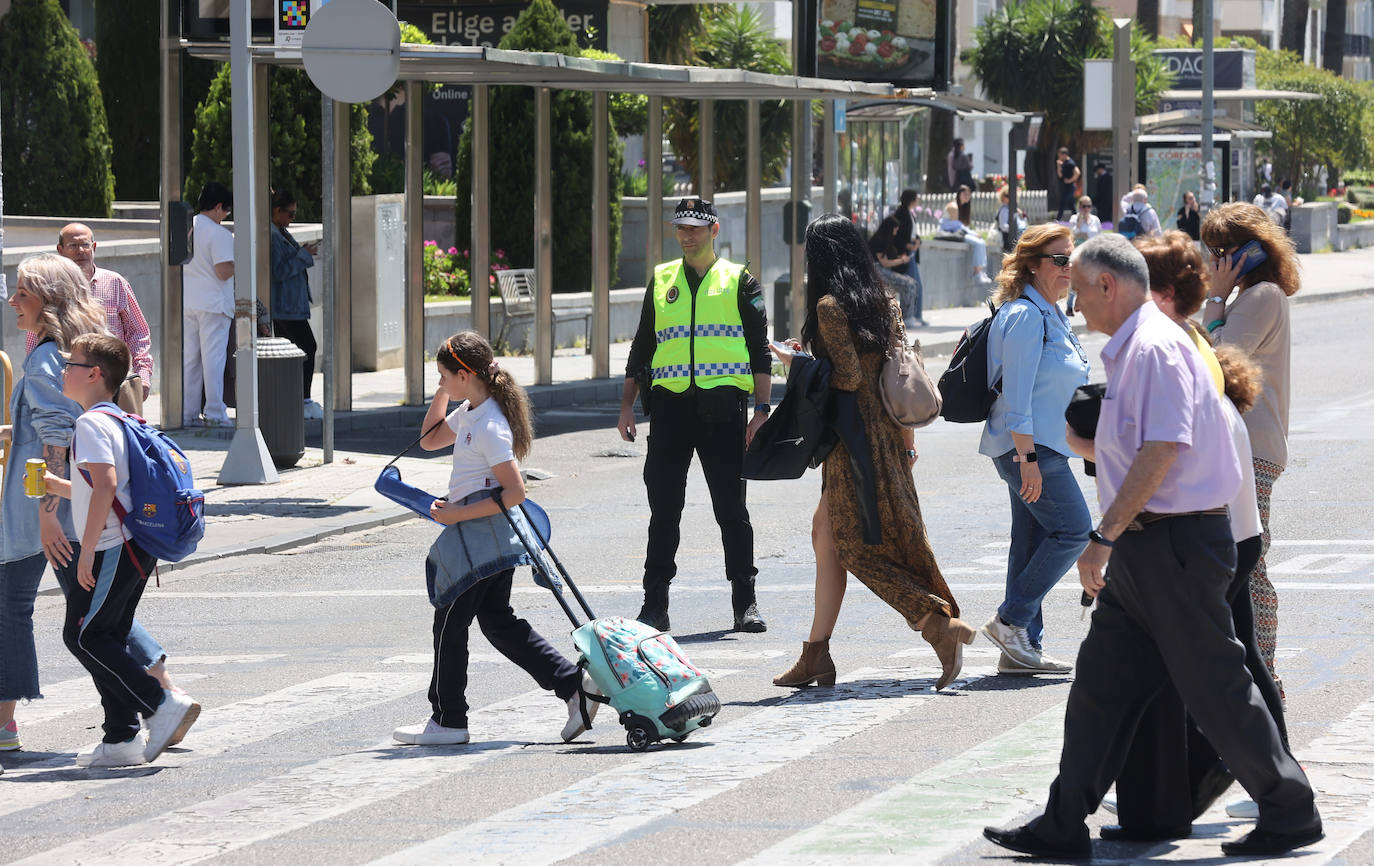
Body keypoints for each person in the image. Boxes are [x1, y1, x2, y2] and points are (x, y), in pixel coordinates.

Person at [984, 233, 1322, 860]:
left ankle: (1290, 808)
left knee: (1217, 687)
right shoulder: (1138, 346)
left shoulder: (1157, 349)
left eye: (1081, 290)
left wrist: (1102, 535)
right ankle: (1063, 820)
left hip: (1176, 544)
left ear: (1109, 286)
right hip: (1151, 549)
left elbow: (1162, 450)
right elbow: (1130, 446)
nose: (1076, 304)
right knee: (1099, 690)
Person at [1102, 233, 1286, 839]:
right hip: (1217, 525)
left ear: (1151, 290)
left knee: (1222, 673)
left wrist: (1107, 530)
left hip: (1209, 526)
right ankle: (1145, 799)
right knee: (1211, 668)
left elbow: (1166, 444)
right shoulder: (1189, 337)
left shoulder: (1173, 342)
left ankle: (1279, 789)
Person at [770, 215, 976, 692]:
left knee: (853, 545)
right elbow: (898, 369)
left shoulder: (829, 306)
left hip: (851, 444)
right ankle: (816, 655)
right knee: (828, 534)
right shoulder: (884, 299)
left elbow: (845, 378)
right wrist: (906, 438)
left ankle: (934, 621)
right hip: (887, 433)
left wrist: (793, 361)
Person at [0, 255, 187, 753]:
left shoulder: (46, 360)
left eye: (22, 291)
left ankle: (157, 702)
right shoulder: (76, 352)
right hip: (86, 517)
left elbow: (58, 445)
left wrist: (46, 520)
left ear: (48, 298)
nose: (12, 300)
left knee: (67, 625)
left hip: (68, 522)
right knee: (99, 621)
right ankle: (124, 731)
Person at [393, 332, 600, 746]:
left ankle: (448, 720)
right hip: (485, 537)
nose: (442, 383)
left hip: (481, 538)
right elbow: (431, 440)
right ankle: (573, 686)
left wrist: (456, 513)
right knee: (496, 621)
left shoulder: (489, 425)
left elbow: (515, 493)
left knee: (449, 623)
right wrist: (442, 393)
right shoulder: (472, 410)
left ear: (466, 375)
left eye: (445, 376)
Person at [43, 334, 201, 767]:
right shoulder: (116, 417)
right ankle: (121, 739)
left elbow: (108, 485)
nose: (64, 371)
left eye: (71, 364)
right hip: (133, 543)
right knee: (106, 635)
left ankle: (158, 705)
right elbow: (105, 487)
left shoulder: (92, 423)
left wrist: (88, 550)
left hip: (113, 545)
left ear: (94, 374)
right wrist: (59, 488)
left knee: (85, 636)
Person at [617, 198, 771, 634]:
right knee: (664, 510)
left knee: (731, 509)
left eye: (696, 228)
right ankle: (654, 606)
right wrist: (626, 405)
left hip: (723, 409)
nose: (687, 235)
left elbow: (760, 349)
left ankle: (746, 603)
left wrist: (761, 410)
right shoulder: (662, 278)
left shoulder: (739, 280)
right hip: (670, 410)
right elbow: (642, 345)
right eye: (681, 227)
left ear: (714, 230)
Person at [978, 224, 1090, 675]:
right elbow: (1017, 398)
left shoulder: (1051, 313)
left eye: (1072, 257)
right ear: (1032, 265)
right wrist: (1027, 462)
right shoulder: (1025, 316)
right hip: (1030, 449)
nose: (1069, 267)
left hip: (1044, 447)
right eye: (1059, 260)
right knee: (1074, 531)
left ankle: (1021, 650)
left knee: (1029, 543)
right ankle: (1011, 620)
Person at [1201, 202, 1300, 701]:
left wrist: (1215, 300)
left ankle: (1267, 674)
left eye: (1220, 251)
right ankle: (1250, 667)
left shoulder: (1262, 296)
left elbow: (1219, 360)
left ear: (1250, 252)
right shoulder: (1252, 295)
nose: (1212, 261)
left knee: (1250, 560)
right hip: (1240, 443)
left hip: (1252, 447)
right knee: (1236, 556)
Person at [25, 224, 155, 416]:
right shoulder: (50, 292)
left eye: (85, 245)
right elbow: (35, 343)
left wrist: (143, 377)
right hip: (69, 390)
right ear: (60, 250)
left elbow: (138, 333)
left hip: (115, 387)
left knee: (122, 442)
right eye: (73, 246)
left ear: (94, 248)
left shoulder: (115, 283)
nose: (81, 252)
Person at [183, 181, 235, 428]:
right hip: (214, 303)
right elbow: (223, 271)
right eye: (226, 211)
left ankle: (188, 412)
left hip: (188, 301)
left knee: (190, 359)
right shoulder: (220, 234)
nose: (226, 216)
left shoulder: (186, 227)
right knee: (213, 359)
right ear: (217, 207)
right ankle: (215, 412)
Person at [268, 189, 324, 421]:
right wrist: (303, 254)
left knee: (293, 352)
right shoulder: (271, 235)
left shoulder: (279, 231)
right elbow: (278, 270)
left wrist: (302, 251)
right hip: (285, 306)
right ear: (276, 211)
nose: (292, 219)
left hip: (289, 305)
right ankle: (303, 399)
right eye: (289, 214)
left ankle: (294, 399)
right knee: (307, 347)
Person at [867, 210, 923, 328]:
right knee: (908, 284)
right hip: (877, 272)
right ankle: (907, 317)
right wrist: (902, 260)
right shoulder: (878, 240)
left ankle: (908, 316)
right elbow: (885, 263)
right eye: (895, 229)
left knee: (911, 283)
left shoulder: (886, 239)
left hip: (882, 270)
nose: (896, 233)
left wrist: (899, 258)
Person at [938, 202, 993, 285]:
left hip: (961, 235)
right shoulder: (945, 222)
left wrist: (975, 234)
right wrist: (974, 234)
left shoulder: (953, 221)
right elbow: (962, 230)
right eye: (955, 212)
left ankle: (981, 270)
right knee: (978, 243)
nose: (956, 214)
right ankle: (977, 272)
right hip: (958, 236)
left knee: (981, 242)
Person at [893, 189, 926, 325]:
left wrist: (917, 241)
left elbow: (913, 233)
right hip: (905, 255)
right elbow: (898, 236)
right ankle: (911, 316)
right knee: (913, 286)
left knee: (916, 286)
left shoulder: (910, 214)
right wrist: (907, 245)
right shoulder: (901, 214)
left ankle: (917, 316)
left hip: (911, 254)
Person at [1055, 147, 1081, 221]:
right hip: (1064, 186)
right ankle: (1077, 219)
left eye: (1060, 155)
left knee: (1063, 202)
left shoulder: (1070, 163)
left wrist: (1070, 180)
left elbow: (1077, 172)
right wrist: (1058, 166)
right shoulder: (1064, 163)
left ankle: (1058, 219)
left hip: (1069, 186)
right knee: (1071, 204)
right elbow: (1060, 175)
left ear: (1064, 154)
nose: (1059, 157)